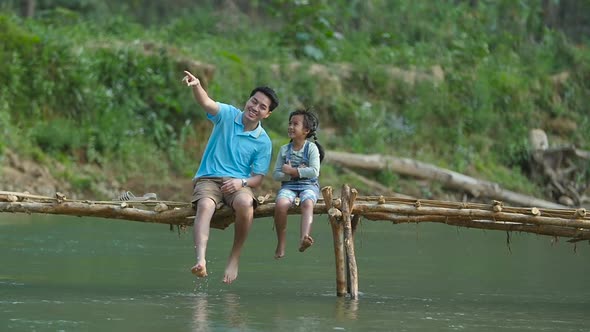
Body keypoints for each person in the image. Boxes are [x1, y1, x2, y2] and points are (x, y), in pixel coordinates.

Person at [182, 70, 279, 284]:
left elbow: (257, 179)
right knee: (205, 205)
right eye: (254, 101)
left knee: (246, 202)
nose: (255, 108)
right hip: (208, 179)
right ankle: (201, 261)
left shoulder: (263, 142)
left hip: (237, 185)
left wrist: (240, 182)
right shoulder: (227, 114)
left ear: (267, 114)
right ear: (248, 100)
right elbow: (207, 103)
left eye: (262, 107)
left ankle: (234, 257)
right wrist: (197, 85)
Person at [272, 109, 325, 259]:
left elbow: (314, 171)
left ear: (306, 130)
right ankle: (281, 243)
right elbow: (276, 174)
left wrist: (294, 171)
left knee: (307, 202)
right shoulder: (284, 150)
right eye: (290, 123)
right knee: (281, 204)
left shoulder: (311, 148)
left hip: (309, 185)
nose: (290, 126)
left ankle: (304, 238)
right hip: (289, 186)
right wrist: (289, 174)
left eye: (295, 124)